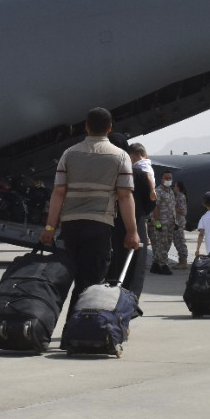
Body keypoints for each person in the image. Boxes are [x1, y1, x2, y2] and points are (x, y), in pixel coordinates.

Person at [39, 108, 140, 307]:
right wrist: (132, 231)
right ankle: (75, 330)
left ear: (86, 127)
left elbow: (58, 193)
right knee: (90, 283)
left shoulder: (69, 154)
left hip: (70, 226)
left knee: (67, 279)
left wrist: (50, 228)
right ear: (110, 128)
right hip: (99, 225)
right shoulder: (120, 156)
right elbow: (125, 196)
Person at [108, 134, 153, 299]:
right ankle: (128, 309)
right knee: (133, 272)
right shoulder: (139, 174)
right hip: (134, 226)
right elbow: (150, 203)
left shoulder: (102, 173)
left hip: (107, 225)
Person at [152, 169, 188, 275]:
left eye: (170, 178)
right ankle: (163, 265)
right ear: (162, 179)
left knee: (167, 244)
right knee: (162, 244)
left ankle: (156, 264)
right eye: (166, 178)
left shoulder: (171, 192)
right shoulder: (158, 191)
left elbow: (173, 208)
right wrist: (157, 223)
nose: (168, 180)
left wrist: (175, 222)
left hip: (170, 223)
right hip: (162, 223)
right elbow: (155, 207)